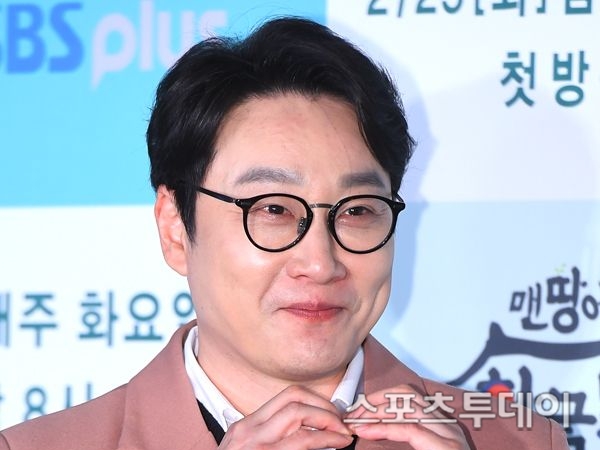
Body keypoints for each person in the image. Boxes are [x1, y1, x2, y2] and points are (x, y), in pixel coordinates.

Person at [1, 16, 568, 450]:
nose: (320, 262)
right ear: (175, 227)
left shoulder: (519, 439)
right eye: (272, 209)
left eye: (357, 210)